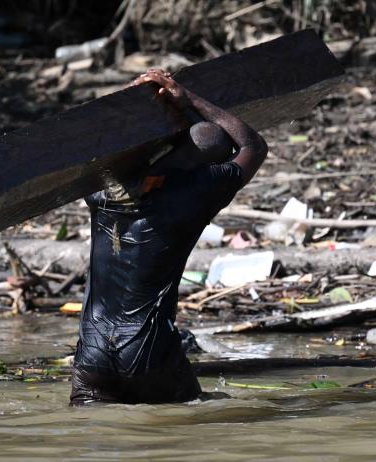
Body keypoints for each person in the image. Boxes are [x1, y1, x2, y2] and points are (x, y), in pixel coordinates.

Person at [70, 69, 268, 405]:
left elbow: (102, 143)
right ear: (210, 165)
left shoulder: (102, 189)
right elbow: (253, 145)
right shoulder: (198, 194)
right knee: (193, 417)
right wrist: (187, 97)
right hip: (148, 348)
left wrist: (137, 102)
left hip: (92, 352)